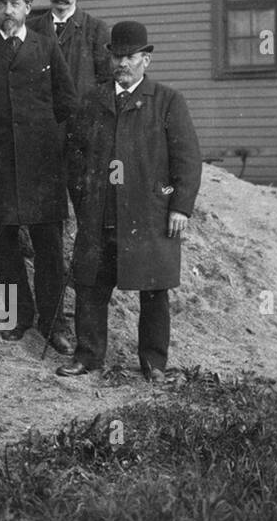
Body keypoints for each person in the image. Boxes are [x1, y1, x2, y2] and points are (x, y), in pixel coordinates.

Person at [58, 22, 202, 381]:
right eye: (117, 56)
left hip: (148, 215)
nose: (123, 63)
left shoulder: (167, 101)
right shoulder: (92, 99)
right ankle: (88, 356)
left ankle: (154, 364)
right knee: (91, 286)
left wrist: (180, 206)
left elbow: (187, 159)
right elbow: (74, 155)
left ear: (146, 60)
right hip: (100, 214)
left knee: (153, 291)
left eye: (131, 57)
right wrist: (84, 199)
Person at [0, 0, 76, 352]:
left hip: (43, 165)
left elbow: (67, 101)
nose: (8, 11)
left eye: (15, 4)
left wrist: (44, 138)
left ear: (28, 7)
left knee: (49, 249)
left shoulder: (46, 46)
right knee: (7, 248)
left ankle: (54, 323)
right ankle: (19, 317)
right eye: (1, 4)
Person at [26, 0, 110, 104]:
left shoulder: (96, 29)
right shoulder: (31, 29)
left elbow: (107, 82)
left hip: (82, 120)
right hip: (42, 120)